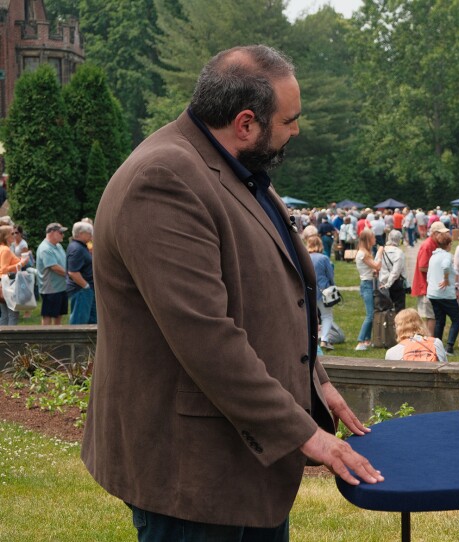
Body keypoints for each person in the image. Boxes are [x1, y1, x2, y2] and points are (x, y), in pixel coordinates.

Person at [82, 45, 381, 540]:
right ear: (245, 124)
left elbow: (272, 292)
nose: (296, 132)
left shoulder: (231, 169)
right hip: (190, 473)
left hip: (237, 464)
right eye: (289, 121)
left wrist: (316, 380)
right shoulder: (162, 179)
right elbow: (206, 336)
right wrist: (309, 436)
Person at [426, 231, 459, 355]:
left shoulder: (433, 256)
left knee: (440, 320)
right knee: (456, 319)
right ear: (449, 244)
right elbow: (446, 266)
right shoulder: (447, 256)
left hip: (433, 293)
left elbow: (429, 275)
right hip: (445, 294)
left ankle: (437, 347)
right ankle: (449, 347)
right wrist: (446, 279)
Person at [411, 221, 448, 331]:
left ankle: (429, 339)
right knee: (431, 316)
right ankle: (429, 341)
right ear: (435, 233)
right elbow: (422, 267)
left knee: (434, 316)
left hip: (431, 286)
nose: (444, 235)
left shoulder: (435, 244)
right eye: (442, 233)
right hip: (425, 287)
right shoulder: (427, 245)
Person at [355, 229, 383, 350]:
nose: (375, 239)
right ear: (368, 239)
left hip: (369, 282)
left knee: (371, 313)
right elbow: (377, 265)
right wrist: (380, 252)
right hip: (367, 284)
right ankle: (360, 340)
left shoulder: (364, 252)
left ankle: (367, 340)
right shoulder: (363, 254)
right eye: (373, 237)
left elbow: (372, 268)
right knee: (370, 314)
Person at [307, 235, 336, 351]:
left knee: (310, 316)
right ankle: (324, 339)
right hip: (323, 291)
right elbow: (330, 275)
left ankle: (310, 338)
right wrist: (333, 286)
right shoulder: (324, 258)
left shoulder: (305, 257)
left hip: (308, 291)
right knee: (327, 316)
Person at [36, 223, 69, 325]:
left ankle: (58, 339)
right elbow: (54, 267)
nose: (63, 235)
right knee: (48, 316)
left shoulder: (58, 246)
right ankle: (45, 339)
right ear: (52, 232)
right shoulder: (45, 248)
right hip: (51, 289)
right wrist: (70, 275)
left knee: (59, 314)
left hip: (61, 287)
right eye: (60, 232)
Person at [0, 224, 28, 325]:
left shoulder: (2, 248)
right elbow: (3, 269)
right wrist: (22, 263)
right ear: (5, 236)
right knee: (12, 314)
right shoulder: (6, 250)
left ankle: (3, 338)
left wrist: (19, 261)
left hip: (4, 285)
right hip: (8, 285)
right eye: (12, 233)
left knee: (5, 314)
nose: (15, 235)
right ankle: (10, 340)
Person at [378, 230, 407, 313]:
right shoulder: (399, 253)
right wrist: (388, 284)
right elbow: (396, 272)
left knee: (385, 310)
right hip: (396, 283)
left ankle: (386, 325)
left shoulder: (381, 250)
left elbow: (377, 265)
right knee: (399, 310)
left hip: (382, 283)